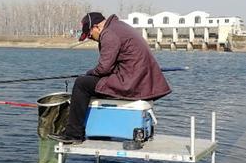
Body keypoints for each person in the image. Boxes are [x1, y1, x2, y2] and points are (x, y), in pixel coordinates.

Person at [49, 12, 172, 144]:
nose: (91, 38)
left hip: (131, 84)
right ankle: (93, 127)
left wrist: (89, 73)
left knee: (81, 83)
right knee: (90, 83)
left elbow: (104, 68)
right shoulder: (119, 27)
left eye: (90, 35)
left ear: (96, 27)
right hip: (140, 83)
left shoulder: (109, 34)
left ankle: (73, 134)